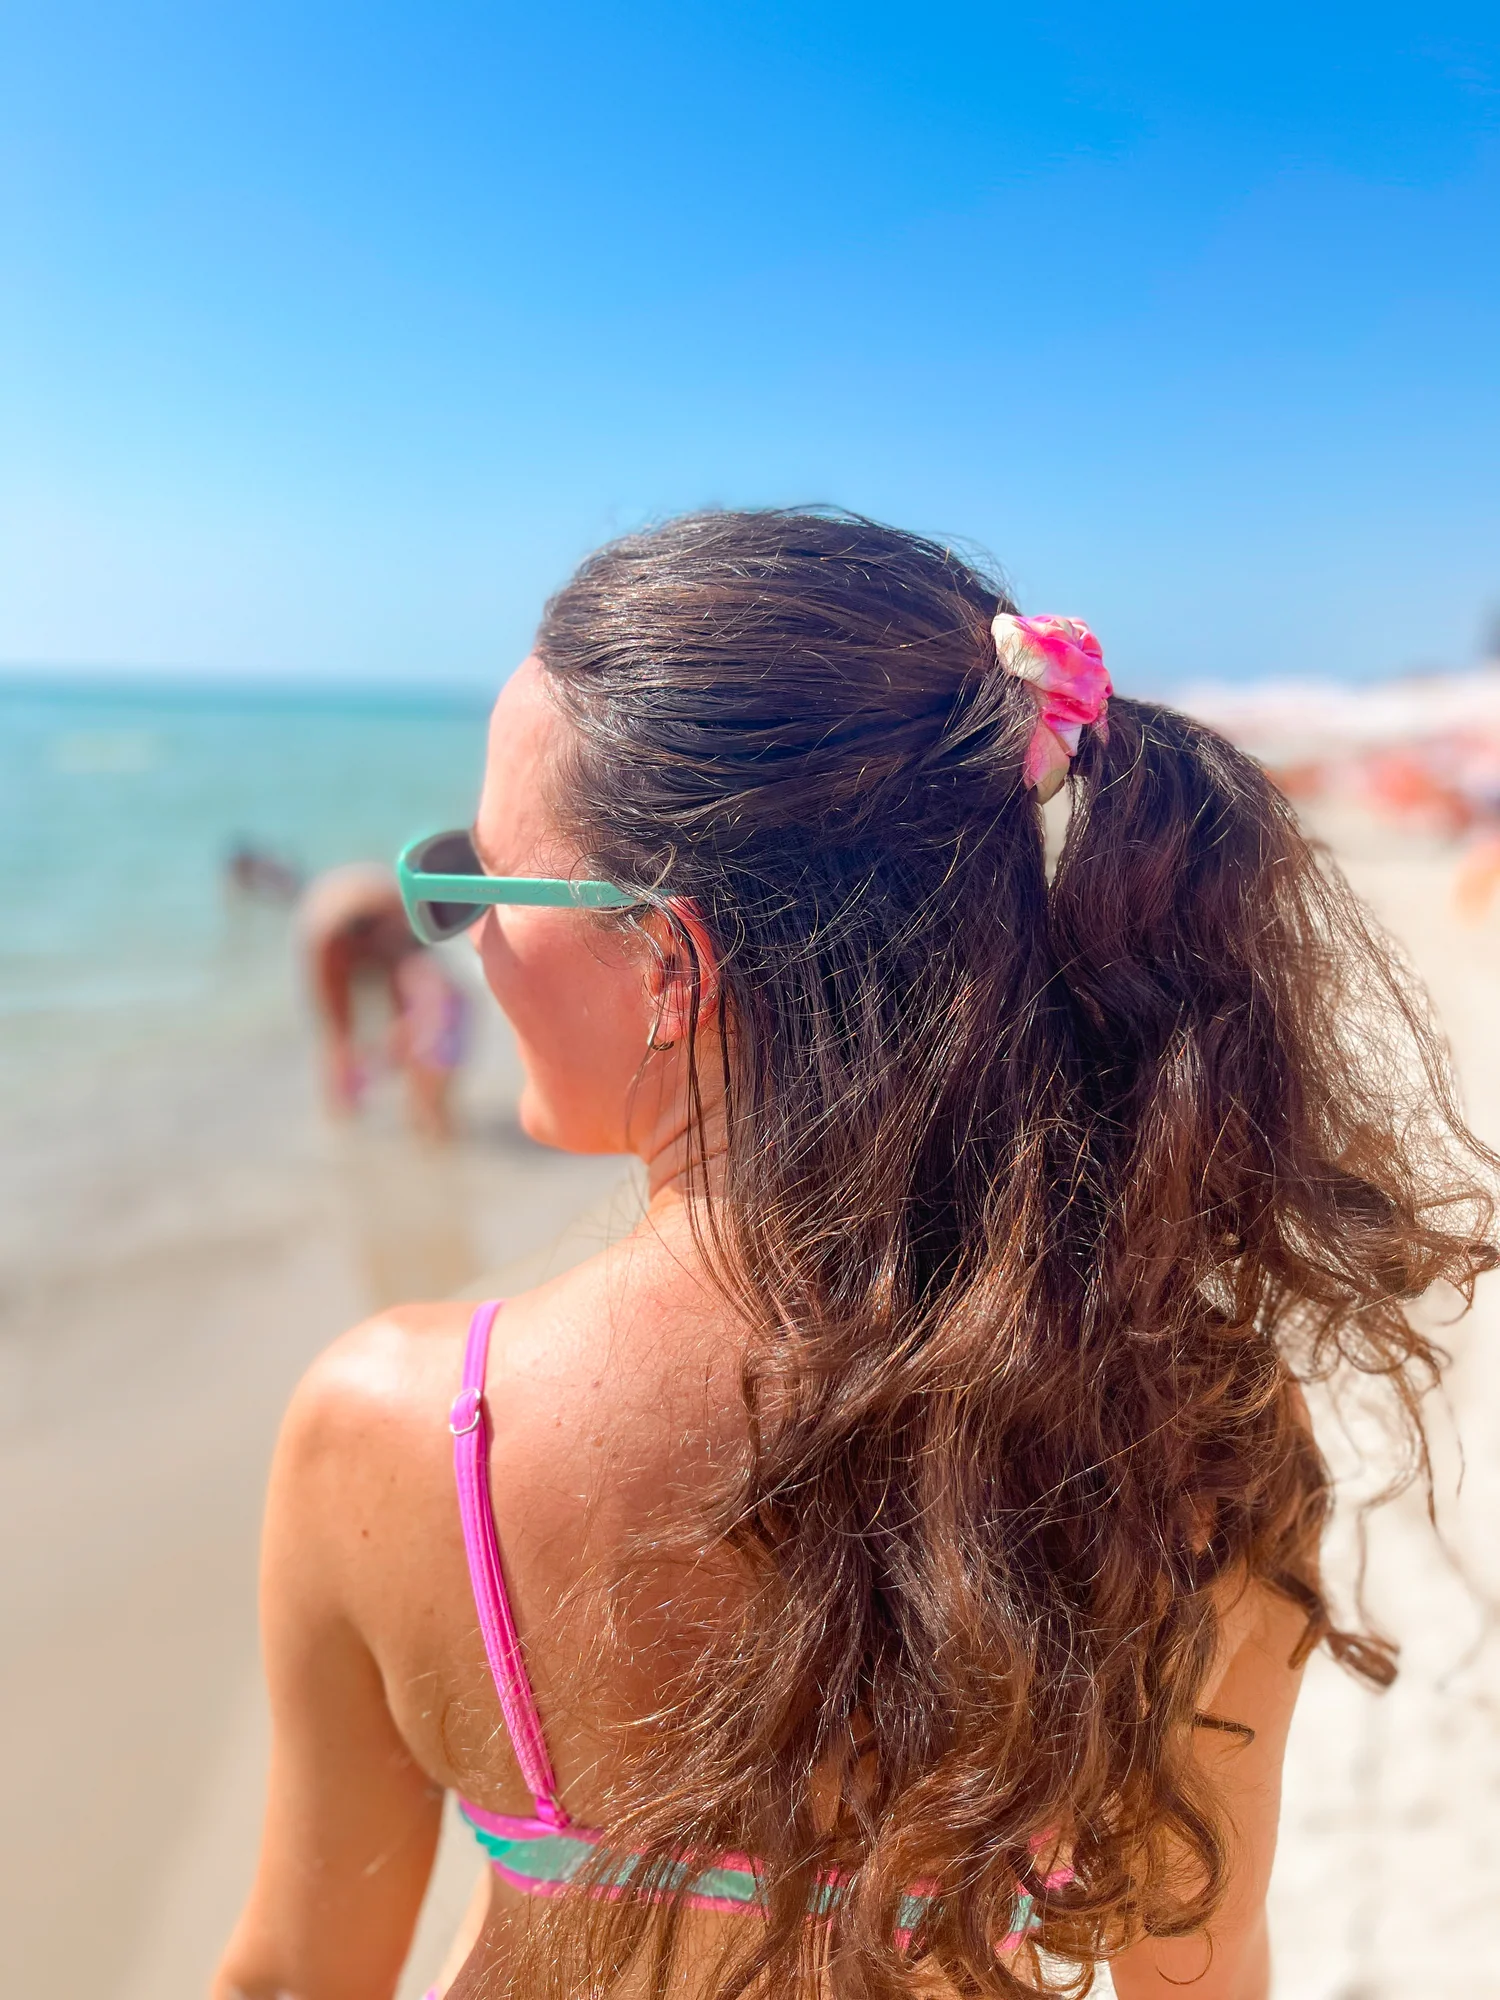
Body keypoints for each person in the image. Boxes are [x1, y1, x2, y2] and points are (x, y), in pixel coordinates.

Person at [215, 511, 1495, 2000]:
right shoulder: (1192, 1433)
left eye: (487, 882)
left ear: (671, 962)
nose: (473, 941)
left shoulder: (404, 1433)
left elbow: (295, 1976)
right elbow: (1200, 1975)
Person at [298, 862, 469, 1140]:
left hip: (378, 911)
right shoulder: (329, 943)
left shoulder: (395, 923)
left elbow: (415, 1016)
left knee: (425, 1032)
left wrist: (400, 1043)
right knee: (340, 1039)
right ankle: (345, 1126)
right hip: (340, 922)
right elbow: (339, 1029)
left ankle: (427, 1116)